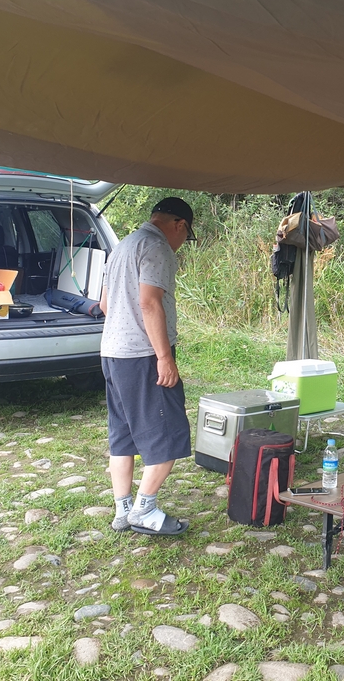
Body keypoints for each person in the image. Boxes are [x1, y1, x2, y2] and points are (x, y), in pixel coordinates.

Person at [99, 196, 197, 536]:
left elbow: (105, 304)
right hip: (143, 355)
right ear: (179, 225)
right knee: (169, 433)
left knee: (122, 434)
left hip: (113, 353)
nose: (182, 242)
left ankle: (123, 509)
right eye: (186, 235)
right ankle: (144, 509)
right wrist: (164, 358)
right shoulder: (156, 247)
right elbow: (149, 302)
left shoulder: (122, 246)